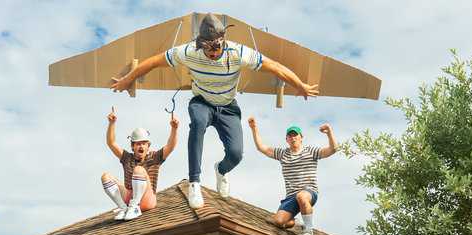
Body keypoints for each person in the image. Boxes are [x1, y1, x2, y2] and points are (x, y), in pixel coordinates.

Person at [110, 13, 319, 209]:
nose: (211, 55)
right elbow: (153, 62)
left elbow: (275, 67)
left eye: (215, 51)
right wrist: (128, 79)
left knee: (236, 154)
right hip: (201, 102)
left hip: (228, 107)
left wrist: (299, 85)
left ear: (223, 43)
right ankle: (194, 183)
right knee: (198, 123)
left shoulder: (239, 53)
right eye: (207, 51)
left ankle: (221, 170)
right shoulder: (189, 51)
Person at [247, 118, 338, 235]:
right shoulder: (282, 154)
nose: (293, 137)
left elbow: (332, 149)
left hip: (309, 192)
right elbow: (261, 148)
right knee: (279, 222)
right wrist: (254, 128)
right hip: (290, 196)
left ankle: (308, 231)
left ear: (301, 137)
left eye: (295, 135)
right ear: (287, 140)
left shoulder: (311, 151)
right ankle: (297, 222)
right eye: (289, 136)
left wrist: (329, 132)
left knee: (301, 196)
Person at [102, 106, 179, 221]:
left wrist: (174, 129)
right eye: (138, 143)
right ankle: (123, 208)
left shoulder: (155, 157)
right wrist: (111, 123)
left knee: (138, 170)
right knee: (106, 177)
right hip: (130, 197)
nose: (141, 146)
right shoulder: (127, 158)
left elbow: (171, 146)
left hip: (147, 200)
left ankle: (134, 207)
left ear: (148, 146)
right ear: (133, 146)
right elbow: (111, 143)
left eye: (144, 143)